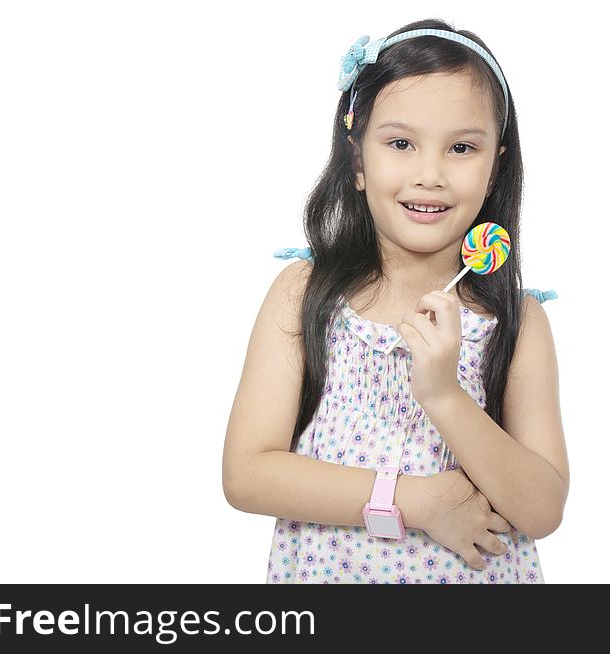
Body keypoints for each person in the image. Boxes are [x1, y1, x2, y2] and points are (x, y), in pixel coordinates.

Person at [222, 17, 569, 584]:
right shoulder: (305, 294)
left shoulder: (518, 321)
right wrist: (417, 502)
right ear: (358, 160)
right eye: (401, 143)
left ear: (495, 167)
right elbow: (247, 475)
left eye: (461, 147)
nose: (429, 175)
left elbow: (542, 508)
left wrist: (444, 395)